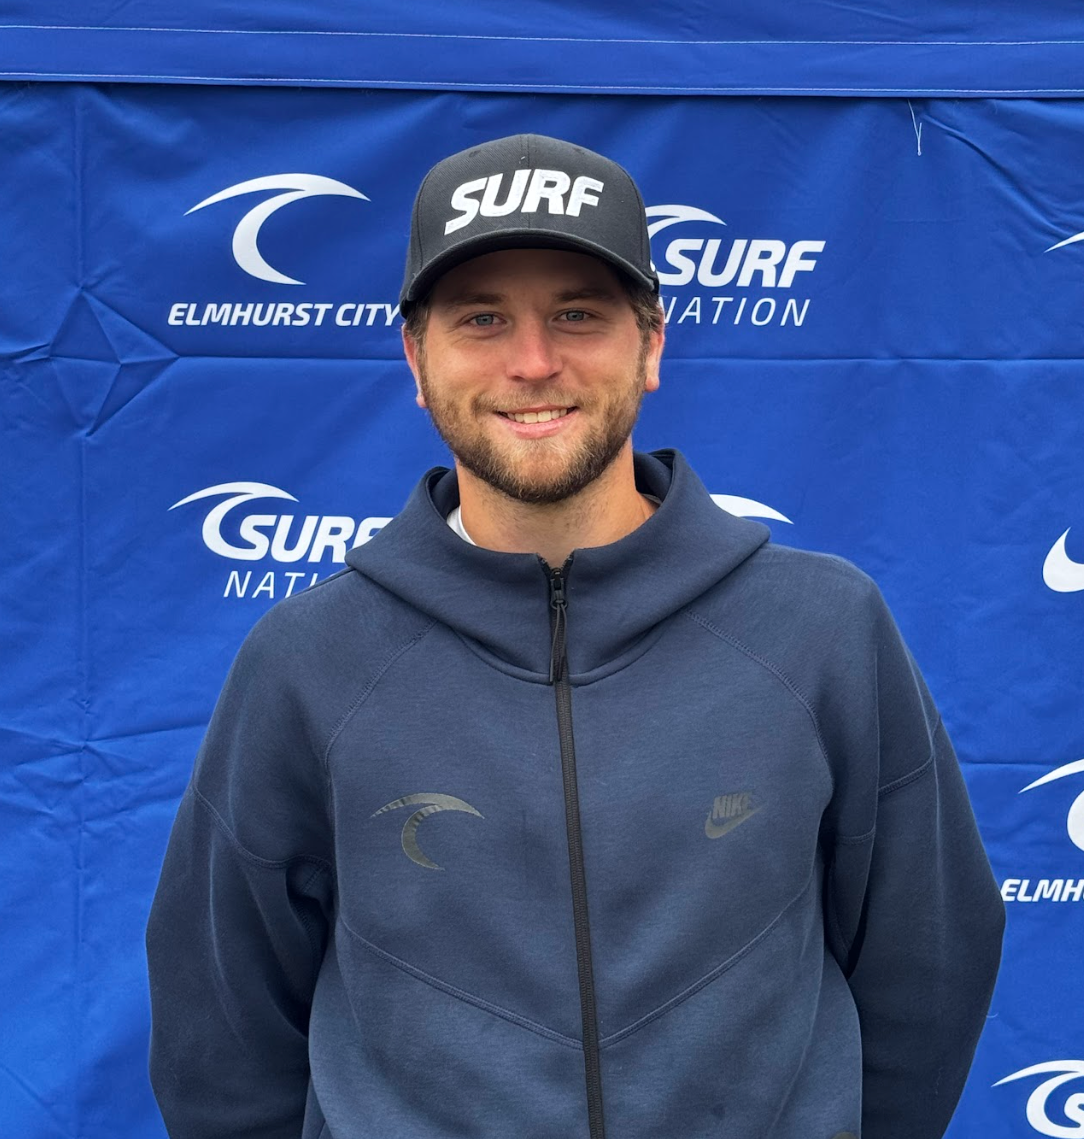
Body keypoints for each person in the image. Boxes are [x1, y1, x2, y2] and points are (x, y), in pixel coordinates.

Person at [146, 133, 1004, 1139]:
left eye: (578, 314)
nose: (534, 361)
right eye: (481, 319)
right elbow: (223, 1027)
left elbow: (926, 964)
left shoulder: (820, 629)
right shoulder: (308, 657)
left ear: (650, 346)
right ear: (416, 360)